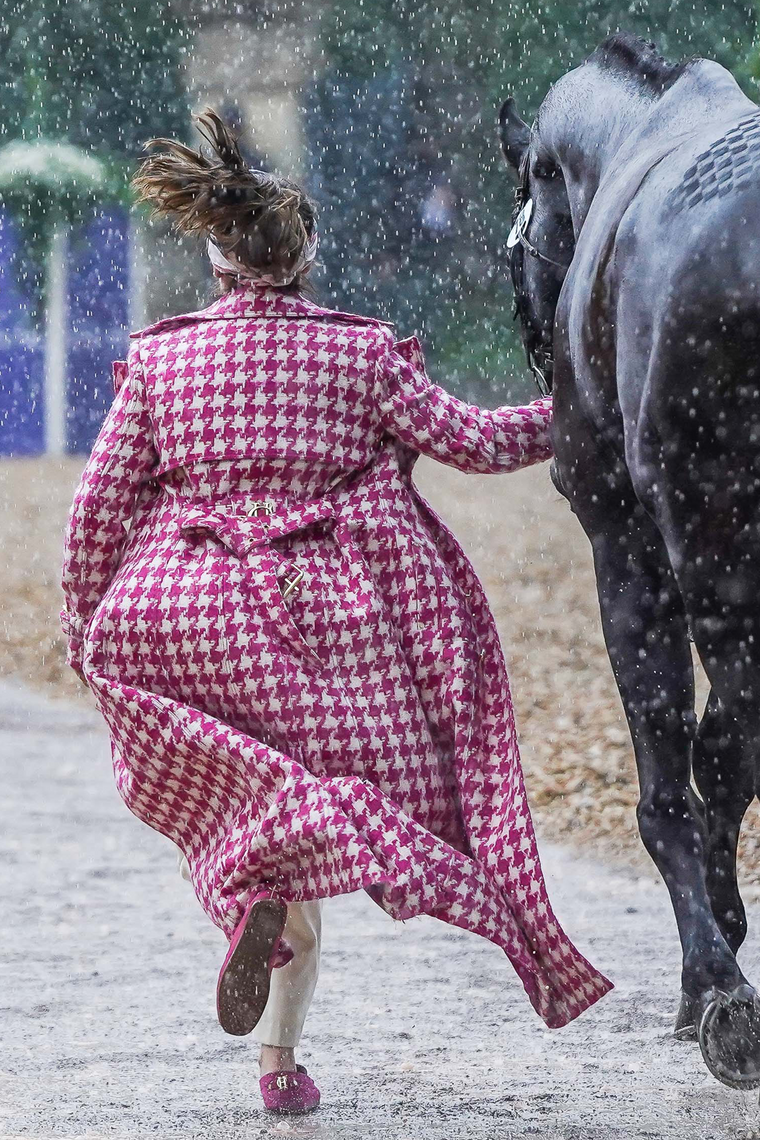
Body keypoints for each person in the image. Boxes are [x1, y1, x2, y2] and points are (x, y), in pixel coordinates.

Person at [60, 110, 611, 1116]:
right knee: (319, 799)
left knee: (245, 800)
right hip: (326, 629)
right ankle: (276, 1061)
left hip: (181, 618)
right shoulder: (362, 356)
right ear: (304, 252)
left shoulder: (159, 362)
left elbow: (97, 511)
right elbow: (477, 442)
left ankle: (255, 911)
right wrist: (589, 404)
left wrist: (84, 626)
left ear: (218, 256)